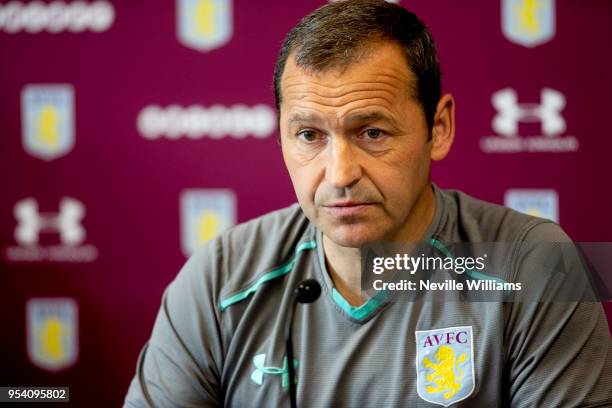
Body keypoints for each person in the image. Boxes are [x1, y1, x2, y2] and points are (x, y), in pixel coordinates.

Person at [124, 1, 612, 406]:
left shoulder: (536, 266)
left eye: (372, 132)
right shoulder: (221, 277)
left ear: (438, 128)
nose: (339, 175)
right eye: (309, 135)